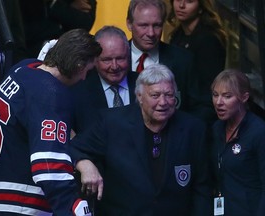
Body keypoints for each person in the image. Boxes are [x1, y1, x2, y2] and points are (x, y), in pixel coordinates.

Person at [0, 29, 102, 216]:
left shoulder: (25, 69)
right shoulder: (51, 94)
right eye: (87, 70)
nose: (84, 78)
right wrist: (74, 207)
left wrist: (80, 160)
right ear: (78, 64)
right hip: (15, 202)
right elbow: (49, 169)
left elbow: (47, 128)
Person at [70, 63, 212, 216]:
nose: (163, 102)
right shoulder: (111, 123)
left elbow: (202, 187)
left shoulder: (193, 128)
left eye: (169, 95)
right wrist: (85, 164)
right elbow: (73, 147)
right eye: (155, 95)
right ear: (139, 96)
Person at [210, 69, 265, 216]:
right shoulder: (217, 128)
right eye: (215, 95)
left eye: (227, 96)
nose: (219, 102)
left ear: (244, 97)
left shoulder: (259, 132)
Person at [126, 0, 194, 111]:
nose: (151, 33)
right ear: (129, 24)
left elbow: (201, 107)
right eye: (144, 25)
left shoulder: (183, 61)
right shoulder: (114, 60)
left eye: (157, 25)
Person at [168, 0, 227, 125]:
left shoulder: (209, 40)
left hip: (199, 116)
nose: (181, 5)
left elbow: (208, 90)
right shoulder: (177, 35)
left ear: (201, 7)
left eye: (189, 1)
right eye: (178, 0)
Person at [71, 25, 138, 134]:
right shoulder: (78, 91)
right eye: (107, 60)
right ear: (95, 60)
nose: (115, 66)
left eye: (120, 58)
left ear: (128, 56)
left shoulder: (145, 85)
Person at [20, 0, 97, 57]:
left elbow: (85, 23)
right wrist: (62, 7)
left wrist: (54, 6)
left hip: (72, 53)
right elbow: (29, 30)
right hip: (32, 53)